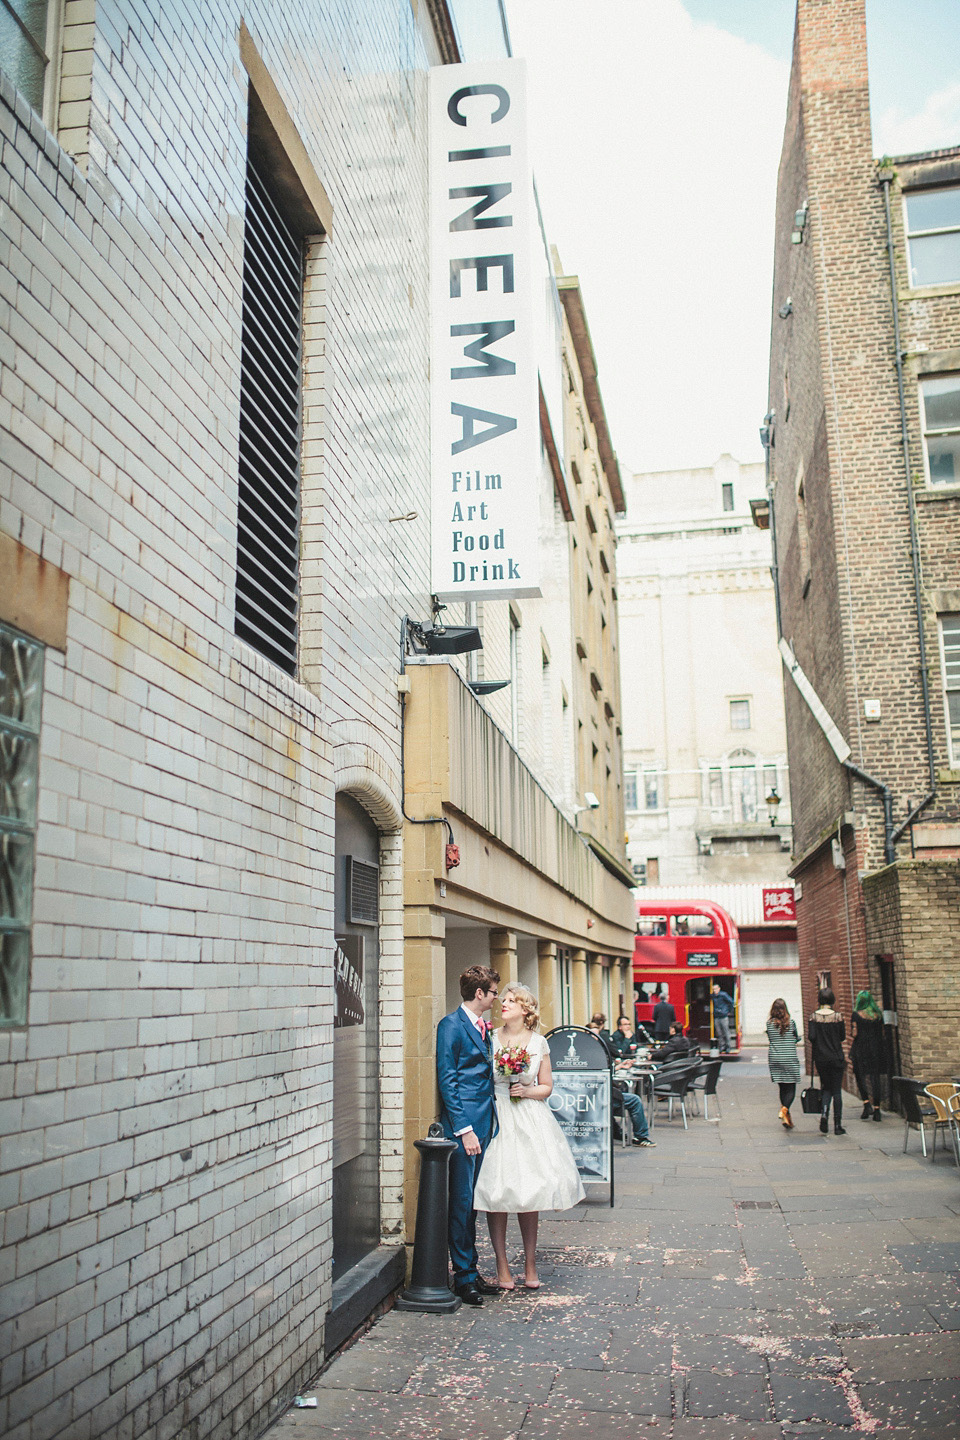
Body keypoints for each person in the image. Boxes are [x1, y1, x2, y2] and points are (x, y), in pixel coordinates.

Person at [474, 985, 585, 1289]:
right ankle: (502, 1265)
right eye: (503, 1000)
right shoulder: (489, 1038)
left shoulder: (539, 1043)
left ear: (525, 1010)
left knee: (529, 1191)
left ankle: (530, 1263)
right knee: (495, 1191)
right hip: (496, 1115)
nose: (503, 1004)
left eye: (510, 1001)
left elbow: (546, 1087)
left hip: (527, 1116)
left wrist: (525, 1090)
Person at [436, 964, 501, 1305]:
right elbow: (448, 1080)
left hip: (484, 1124)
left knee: (473, 1203)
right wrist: (464, 1130)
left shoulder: (481, 1026)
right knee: (461, 1202)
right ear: (479, 993)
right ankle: (463, 1278)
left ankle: (471, 1271)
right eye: (493, 993)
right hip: (465, 1131)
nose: (495, 998)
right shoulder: (451, 1026)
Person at [587, 1014, 655, 1147]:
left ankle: (618, 1132)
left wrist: (619, 1066)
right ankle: (640, 1136)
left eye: (597, 1036)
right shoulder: (596, 1053)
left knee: (625, 1092)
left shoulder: (591, 1052)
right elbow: (618, 1055)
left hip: (600, 1095)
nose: (596, 1038)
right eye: (592, 1036)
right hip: (601, 1097)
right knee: (634, 1100)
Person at [808, 986, 847, 1136]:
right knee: (836, 1090)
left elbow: (812, 1037)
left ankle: (824, 1114)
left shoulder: (814, 1017)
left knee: (826, 1088)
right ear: (832, 999)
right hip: (836, 1057)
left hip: (821, 1059)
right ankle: (837, 1125)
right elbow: (842, 1037)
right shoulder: (838, 1017)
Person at [766, 997, 801, 1129]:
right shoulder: (791, 1023)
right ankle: (784, 1109)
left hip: (775, 1058)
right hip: (789, 1058)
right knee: (791, 1088)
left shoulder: (769, 1024)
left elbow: (771, 1038)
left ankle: (787, 1119)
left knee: (782, 1088)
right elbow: (796, 1037)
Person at [850, 989, 884, 1121]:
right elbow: (882, 1033)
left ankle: (866, 1103)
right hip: (876, 1048)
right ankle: (877, 1109)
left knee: (860, 1076)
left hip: (861, 1049)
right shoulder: (878, 1015)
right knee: (875, 1078)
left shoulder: (856, 1015)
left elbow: (854, 1033)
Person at [711, 982, 735, 1053]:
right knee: (719, 1032)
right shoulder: (713, 996)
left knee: (726, 1031)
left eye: (715, 989)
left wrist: (728, 1011)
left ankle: (728, 1047)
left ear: (719, 989)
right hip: (716, 1016)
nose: (714, 990)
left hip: (723, 1016)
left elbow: (731, 1002)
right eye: (713, 989)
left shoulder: (723, 995)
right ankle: (722, 1046)